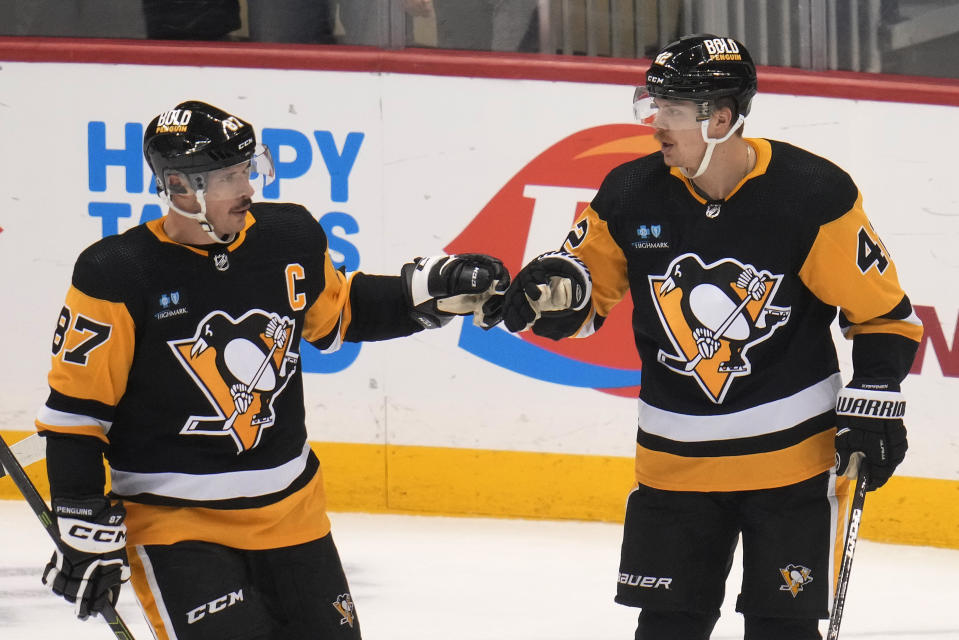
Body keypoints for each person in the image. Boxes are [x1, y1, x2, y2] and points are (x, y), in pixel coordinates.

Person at [500, 34, 922, 640]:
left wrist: (878, 390)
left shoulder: (813, 195)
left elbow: (885, 314)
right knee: (668, 629)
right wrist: (557, 291)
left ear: (721, 119)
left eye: (671, 111)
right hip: (674, 463)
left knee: (783, 629)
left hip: (792, 465)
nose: (656, 125)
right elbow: (585, 297)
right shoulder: (630, 192)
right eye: (654, 107)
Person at [35, 100, 508, 639]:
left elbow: (340, 312)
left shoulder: (288, 235)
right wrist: (80, 520)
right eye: (231, 176)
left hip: (292, 515)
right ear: (181, 187)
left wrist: (425, 295)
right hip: (174, 525)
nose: (248, 187)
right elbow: (77, 416)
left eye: (248, 168)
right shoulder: (115, 272)